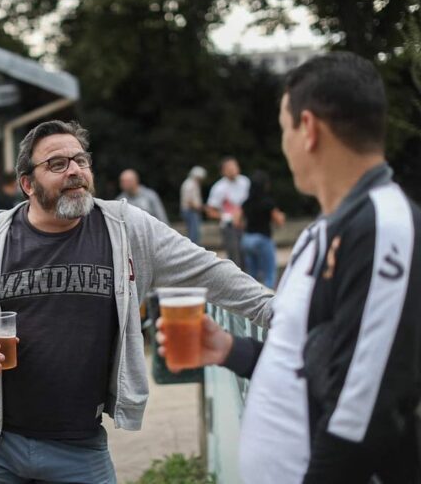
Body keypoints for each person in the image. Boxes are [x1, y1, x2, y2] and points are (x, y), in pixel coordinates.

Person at [0, 119, 275, 483]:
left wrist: (280, 313)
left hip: (79, 448)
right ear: (28, 184)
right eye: (58, 164)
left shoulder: (127, 229)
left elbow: (211, 272)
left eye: (81, 160)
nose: (76, 171)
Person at [158, 52, 421, 483]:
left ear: (309, 128)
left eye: (284, 129)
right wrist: (230, 350)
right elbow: (307, 363)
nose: (283, 145)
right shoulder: (319, 235)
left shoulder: (384, 225)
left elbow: (364, 411)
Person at [238, 170, 285, 288]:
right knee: (269, 273)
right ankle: (269, 301)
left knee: (252, 274)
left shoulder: (246, 203)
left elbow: (236, 221)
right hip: (263, 239)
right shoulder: (267, 202)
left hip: (247, 239)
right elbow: (279, 221)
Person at [206, 157, 250, 268]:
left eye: (234, 166)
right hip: (229, 226)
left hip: (246, 224)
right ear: (223, 171)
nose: (232, 170)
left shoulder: (245, 182)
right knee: (235, 256)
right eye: (229, 168)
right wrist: (227, 216)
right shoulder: (219, 188)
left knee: (247, 255)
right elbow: (210, 210)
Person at [180, 165, 207, 244]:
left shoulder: (191, 183)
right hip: (190, 211)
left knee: (194, 231)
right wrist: (200, 208)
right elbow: (189, 201)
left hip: (191, 211)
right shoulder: (190, 184)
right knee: (194, 232)